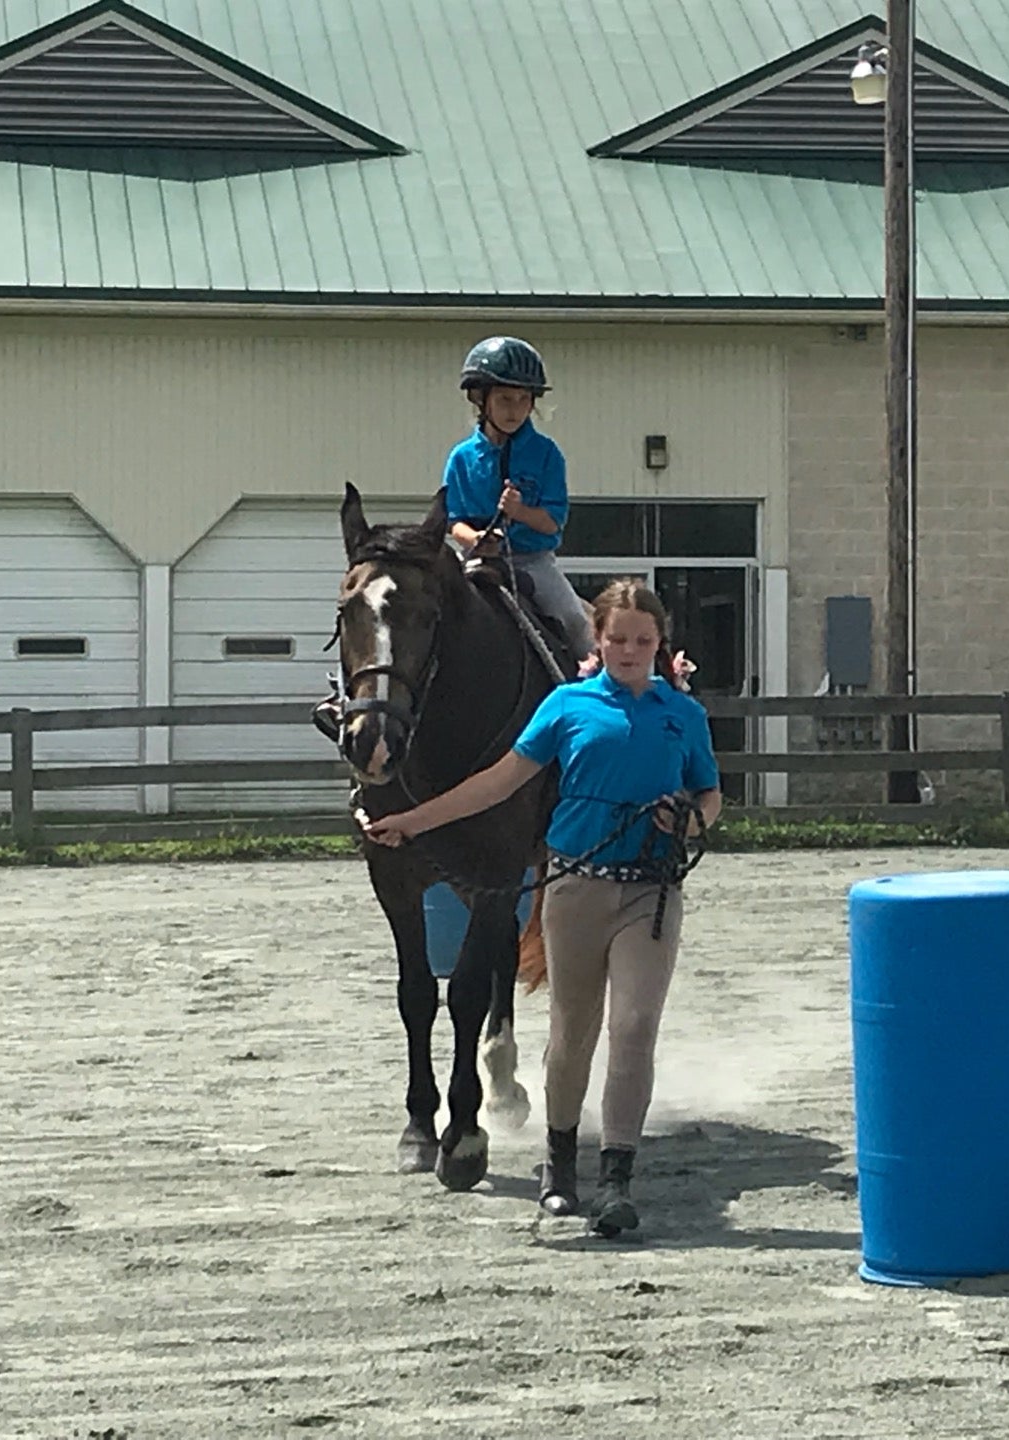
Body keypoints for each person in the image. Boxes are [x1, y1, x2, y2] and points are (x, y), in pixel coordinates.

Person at [358, 578, 721, 1237]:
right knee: (572, 1032)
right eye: (617, 639)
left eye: (643, 640)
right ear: (602, 643)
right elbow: (496, 783)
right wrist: (414, 820)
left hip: (650, 888)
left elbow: (710, 793)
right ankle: (560, 1169)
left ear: (658, 644)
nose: (630, 650)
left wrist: (691, 820)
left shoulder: (683, 715)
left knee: (634, 1026)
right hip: (576, 885)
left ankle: (616, 1178)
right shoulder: (567, 706)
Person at [445, 336, 595, 658]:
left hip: (533, 563)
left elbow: (552, 522)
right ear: (480, 399)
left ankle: (591, 692)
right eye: (504, 400)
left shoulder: (547, 454)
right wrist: (477, 539)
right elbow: (454, 520)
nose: (515, 410)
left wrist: (520, 511)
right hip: (476, 557)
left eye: (523, 400)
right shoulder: (461, 458)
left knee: (575, 621)